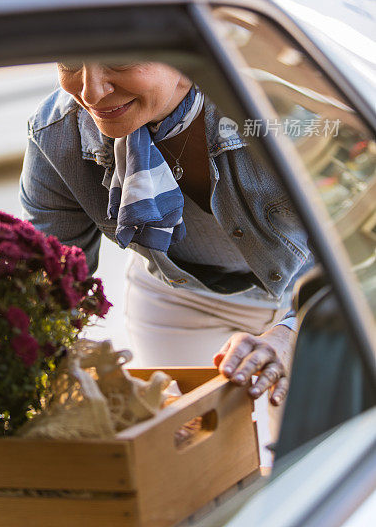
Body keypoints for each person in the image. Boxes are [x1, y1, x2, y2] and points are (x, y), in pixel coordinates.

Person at [20, 61, 313, 407]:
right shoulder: (56, 134)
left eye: (117, 59)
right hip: (183, 304)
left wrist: (296, 329)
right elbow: (45, 290)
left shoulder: (287, 109)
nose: (90, 91)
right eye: (70, 62)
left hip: (329, 291)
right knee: (202, 447)